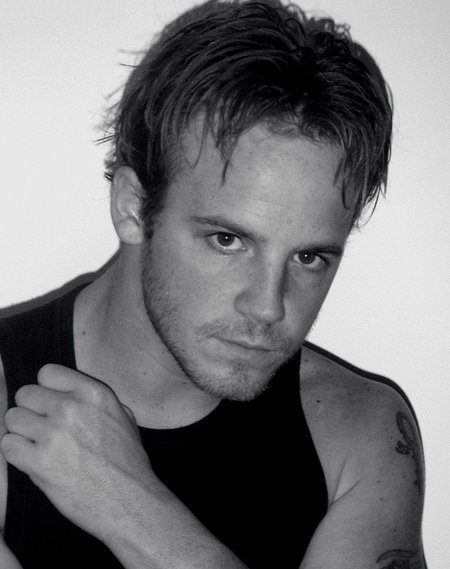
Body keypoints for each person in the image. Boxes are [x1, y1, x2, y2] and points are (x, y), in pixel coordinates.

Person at [0, 1, 426, 568]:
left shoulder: (358, 434)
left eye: (308, 257)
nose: (268, 307)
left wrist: (131, 508)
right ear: (132, 208)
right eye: (228, 240)